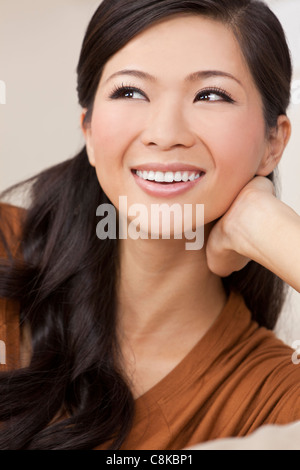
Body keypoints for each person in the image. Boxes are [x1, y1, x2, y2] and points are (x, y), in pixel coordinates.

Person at [0, 0, 300, 451]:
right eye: (130, 92)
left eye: (211, 95)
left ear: (273, 144)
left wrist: (274, 230)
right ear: (89, 131)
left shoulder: (270, 394)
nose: (164, 132)